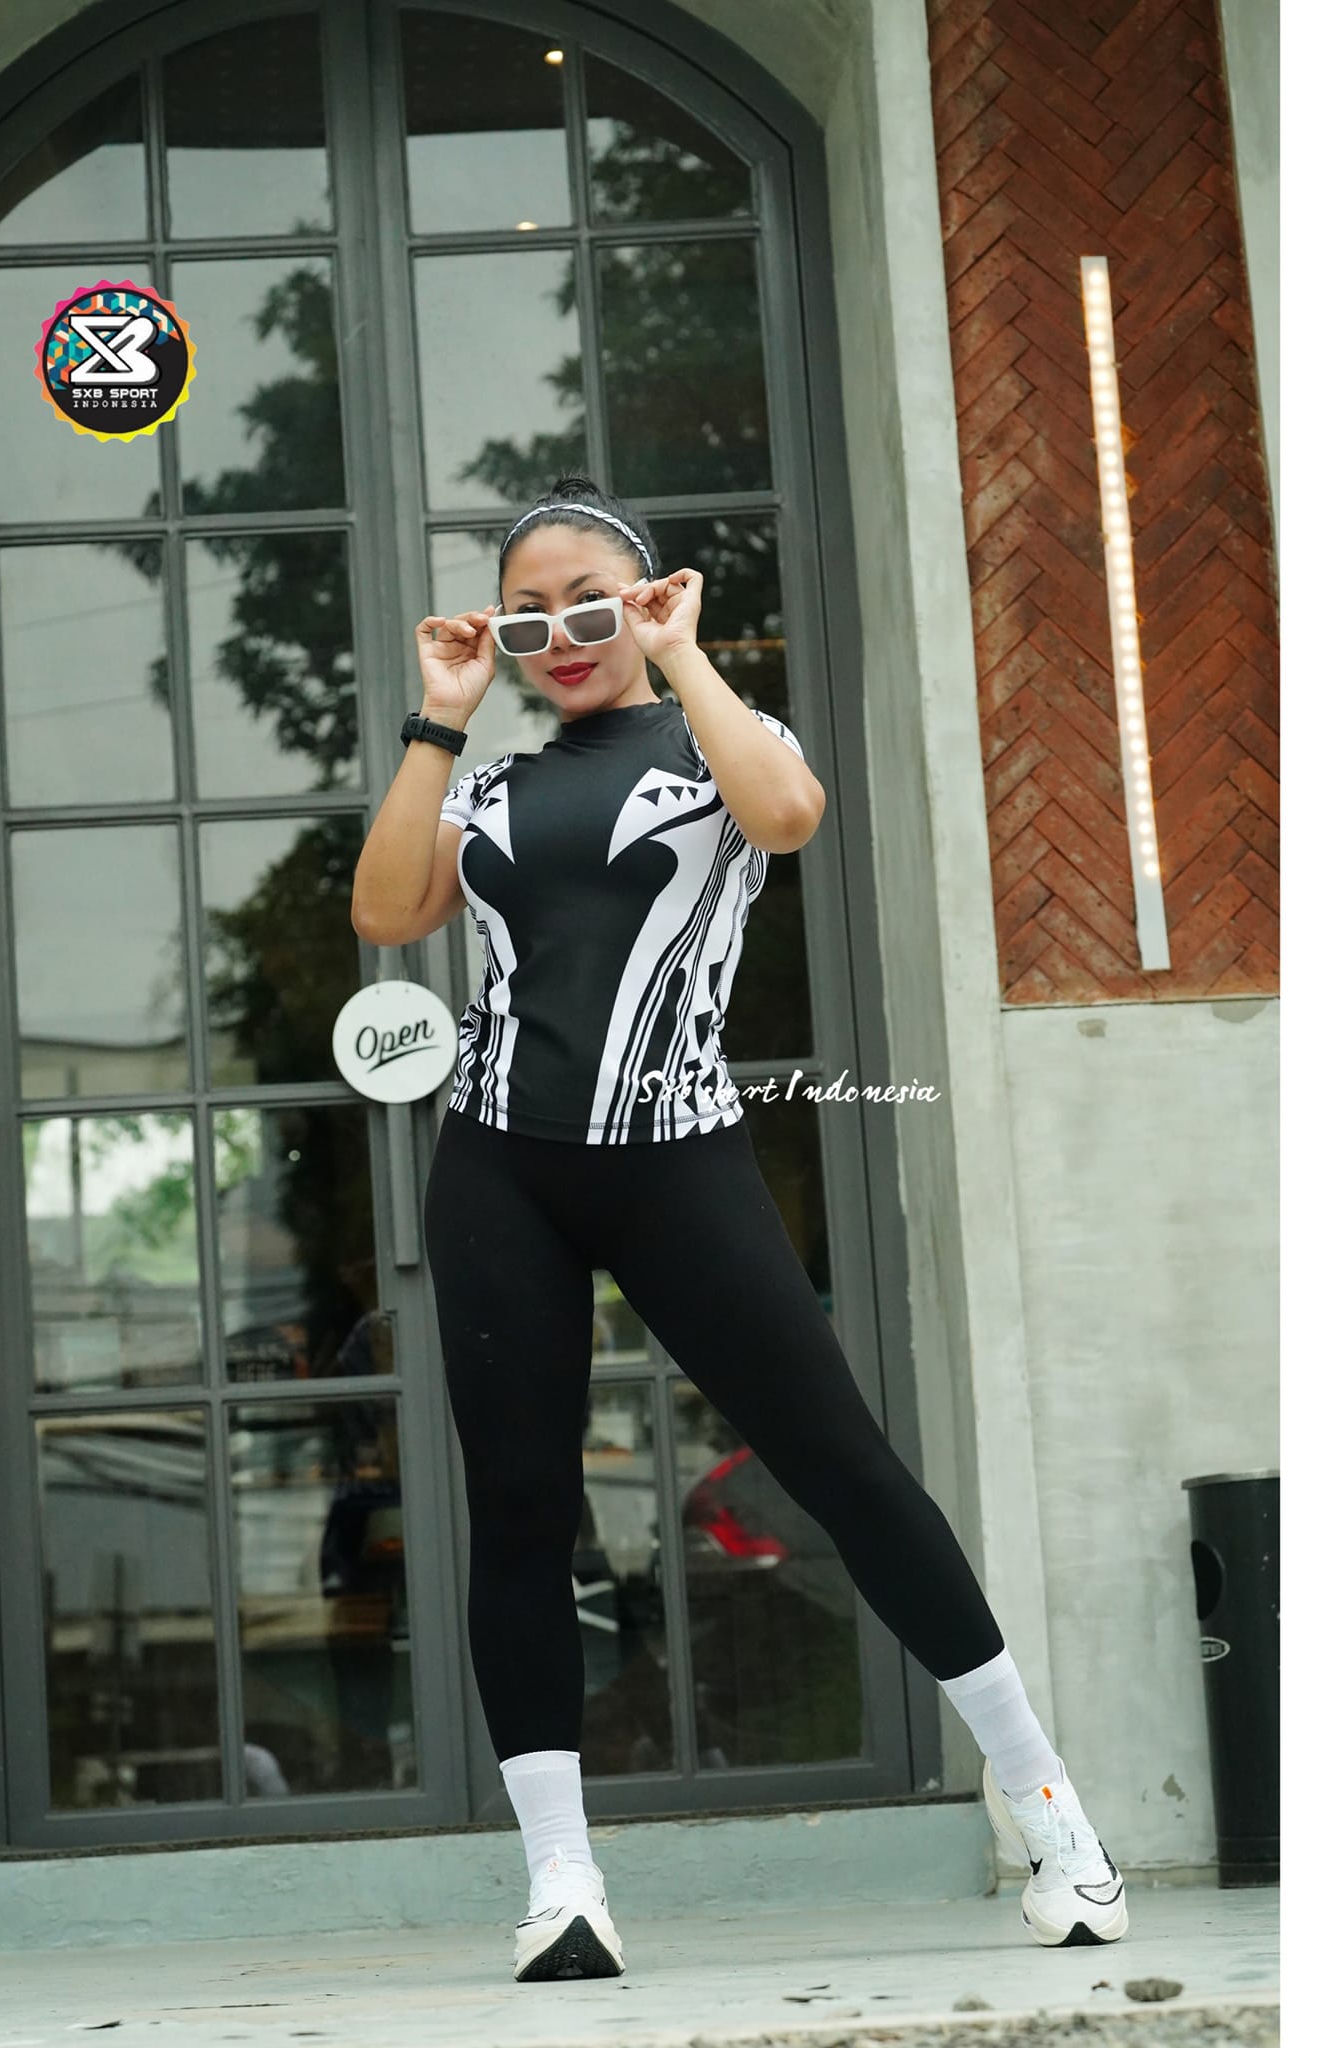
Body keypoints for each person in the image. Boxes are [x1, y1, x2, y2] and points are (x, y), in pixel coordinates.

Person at [350, 476, 1128, 1981]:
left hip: (679, 1162)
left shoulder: (720, 745)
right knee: (521, 1508)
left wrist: (683, 654)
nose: (564, 635)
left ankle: (1050, 1810)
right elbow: (388, 913)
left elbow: (789, 816)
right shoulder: (484, 785)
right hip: (501, 1169)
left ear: (645, 600)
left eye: (591, 604)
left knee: (844, 1468)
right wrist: (441, 714)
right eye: (530, 619)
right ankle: (563, 1880)